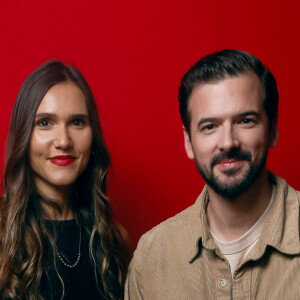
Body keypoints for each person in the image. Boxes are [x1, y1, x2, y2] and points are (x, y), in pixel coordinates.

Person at [125, 50, 300, 299]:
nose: (228, 142)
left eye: (245, 121)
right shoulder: (153, 255)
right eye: (210, 126)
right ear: (188, 141)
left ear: (272, 129)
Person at [0, 61, 131, 300]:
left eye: (77, 122)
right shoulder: (2, 236)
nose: (63, 140)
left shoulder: (113, 241)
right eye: (45, 123)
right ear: (23, 136)